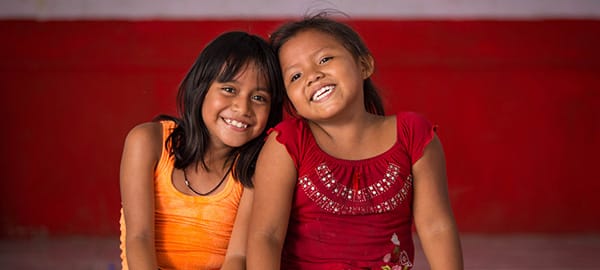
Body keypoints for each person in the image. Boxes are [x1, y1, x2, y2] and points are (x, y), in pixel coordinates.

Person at [247, 14, 463, 270]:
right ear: (290, 100)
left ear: (364, 65)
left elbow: (436, 226)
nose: (312, 76)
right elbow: (266, 236)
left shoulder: (412, 135)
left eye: (324, 59)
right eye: (295, 76)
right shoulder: (287, 143)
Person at [119, 31, 284, 270]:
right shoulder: (147, 142)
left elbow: (237, 258)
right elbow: (139, 239)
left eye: (259, 97)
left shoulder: (257, 168)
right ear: (201, 88)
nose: (242, 107)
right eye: (229, 89)